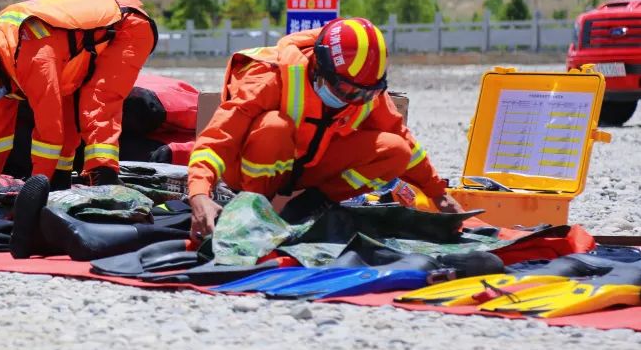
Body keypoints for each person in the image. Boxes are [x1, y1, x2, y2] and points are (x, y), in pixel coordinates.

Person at [188, 17, 463, 240]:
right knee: (274, 127)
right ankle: (255, 210)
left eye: (364, 94)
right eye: (345, 90)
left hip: (309, 171)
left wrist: (439, 195)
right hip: (255, 169)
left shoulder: (364, 91)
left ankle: (309, 207)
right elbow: (218, 138)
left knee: (396, 150)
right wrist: (200, 193)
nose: (352, 100)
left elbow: (407, 144)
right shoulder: (270, 78)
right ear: (319, 68)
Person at [0, 0, 157, 192]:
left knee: (96, 101)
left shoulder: (33, 59)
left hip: (126, 28)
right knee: (67, 103)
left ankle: (103, 176)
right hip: (86, 42)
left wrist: (35, 190)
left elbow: (49, 133)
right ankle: (61, 178)